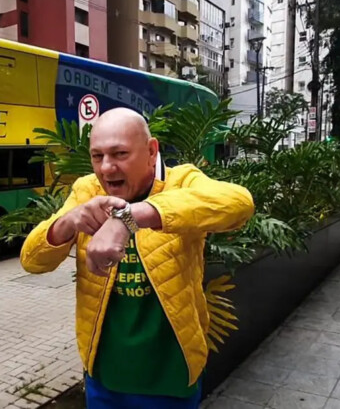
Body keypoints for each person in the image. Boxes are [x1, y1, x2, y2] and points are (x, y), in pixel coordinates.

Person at [20, 108, 254, 408]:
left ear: (151, 151)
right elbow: (32, 260)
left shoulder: (181, 181)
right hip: (103, 377)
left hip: (170, 379)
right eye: (97, 156)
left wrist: (131, 217)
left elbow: (239, 203)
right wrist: (68, 222)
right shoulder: (87, 190)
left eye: (120, 154)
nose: (106, 168)